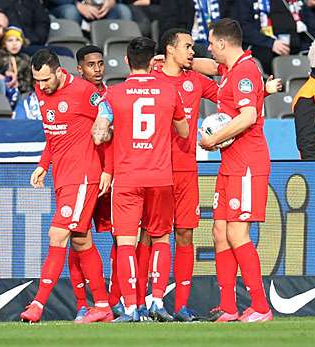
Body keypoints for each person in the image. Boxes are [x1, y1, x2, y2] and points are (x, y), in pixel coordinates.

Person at [94, 36, 190, 322]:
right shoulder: (169, 91)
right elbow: (184, 132)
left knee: (125, 242)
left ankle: (132, 307)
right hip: (161, 177)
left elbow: (99, 134)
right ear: (153, 61)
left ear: (126, 61)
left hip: (127, 178)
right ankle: (158, 302)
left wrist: (111, 131)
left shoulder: (113, 94)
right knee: (160, 237)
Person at [21, 49, 112, 324]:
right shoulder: (41, 92)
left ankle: (37, 305)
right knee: (81, 240)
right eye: (37, 80)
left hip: (84, 174)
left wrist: (108, 169)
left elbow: (109, 127)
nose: (41, 86)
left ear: (59, 72)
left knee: (57, 234)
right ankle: (103, 306)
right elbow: (53, 134)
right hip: (62, 177)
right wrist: (42, 165)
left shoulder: (85, 92)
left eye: (46, 80)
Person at [199, 18, 273, 323]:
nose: (208, 48)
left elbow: (248, 116)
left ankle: (260, 306)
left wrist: (213, 140)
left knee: (236, 232)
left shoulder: (244, 71)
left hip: (247, 163)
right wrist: (183, 61)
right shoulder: (230, 70)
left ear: (221, 43)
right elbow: (208, 66)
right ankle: (228, 306)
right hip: (231, 162)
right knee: (219, 232)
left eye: (210, 43)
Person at [144, 28, 218, 322]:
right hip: (156, 169)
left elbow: (227, 87)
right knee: (152, 236)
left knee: (185, 234)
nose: (193, 51)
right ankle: (150, 301)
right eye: (187, 47)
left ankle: (181, 306)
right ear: (170, 49)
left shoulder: (195, 81)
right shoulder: (150, 80)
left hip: (187, 169)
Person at [68, 45, 122, 321]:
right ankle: (81, 303)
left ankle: (113, 300)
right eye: (91, 65)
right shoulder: (75, 96)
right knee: (77, 236)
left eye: (100, 63)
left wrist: (110, 171)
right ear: (80, 68)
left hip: (109, 176)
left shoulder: (112, 95)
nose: (98, 69)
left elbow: (113, 140)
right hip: (82, 176)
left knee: (118, 236)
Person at [0, 26, 33, 94]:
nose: (14, 44)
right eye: (10, 40)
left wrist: (19, 85)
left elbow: (28, 80)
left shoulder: (25, 59)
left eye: (18, 40)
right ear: (4, 43)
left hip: (22, 92)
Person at [47, 0, 133, 27]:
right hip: (70, 6)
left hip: (102, 8)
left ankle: (118, 51)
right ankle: (75, 48)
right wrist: (78, 4)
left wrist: (113, 1)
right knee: (71, 12)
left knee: (123, 11)